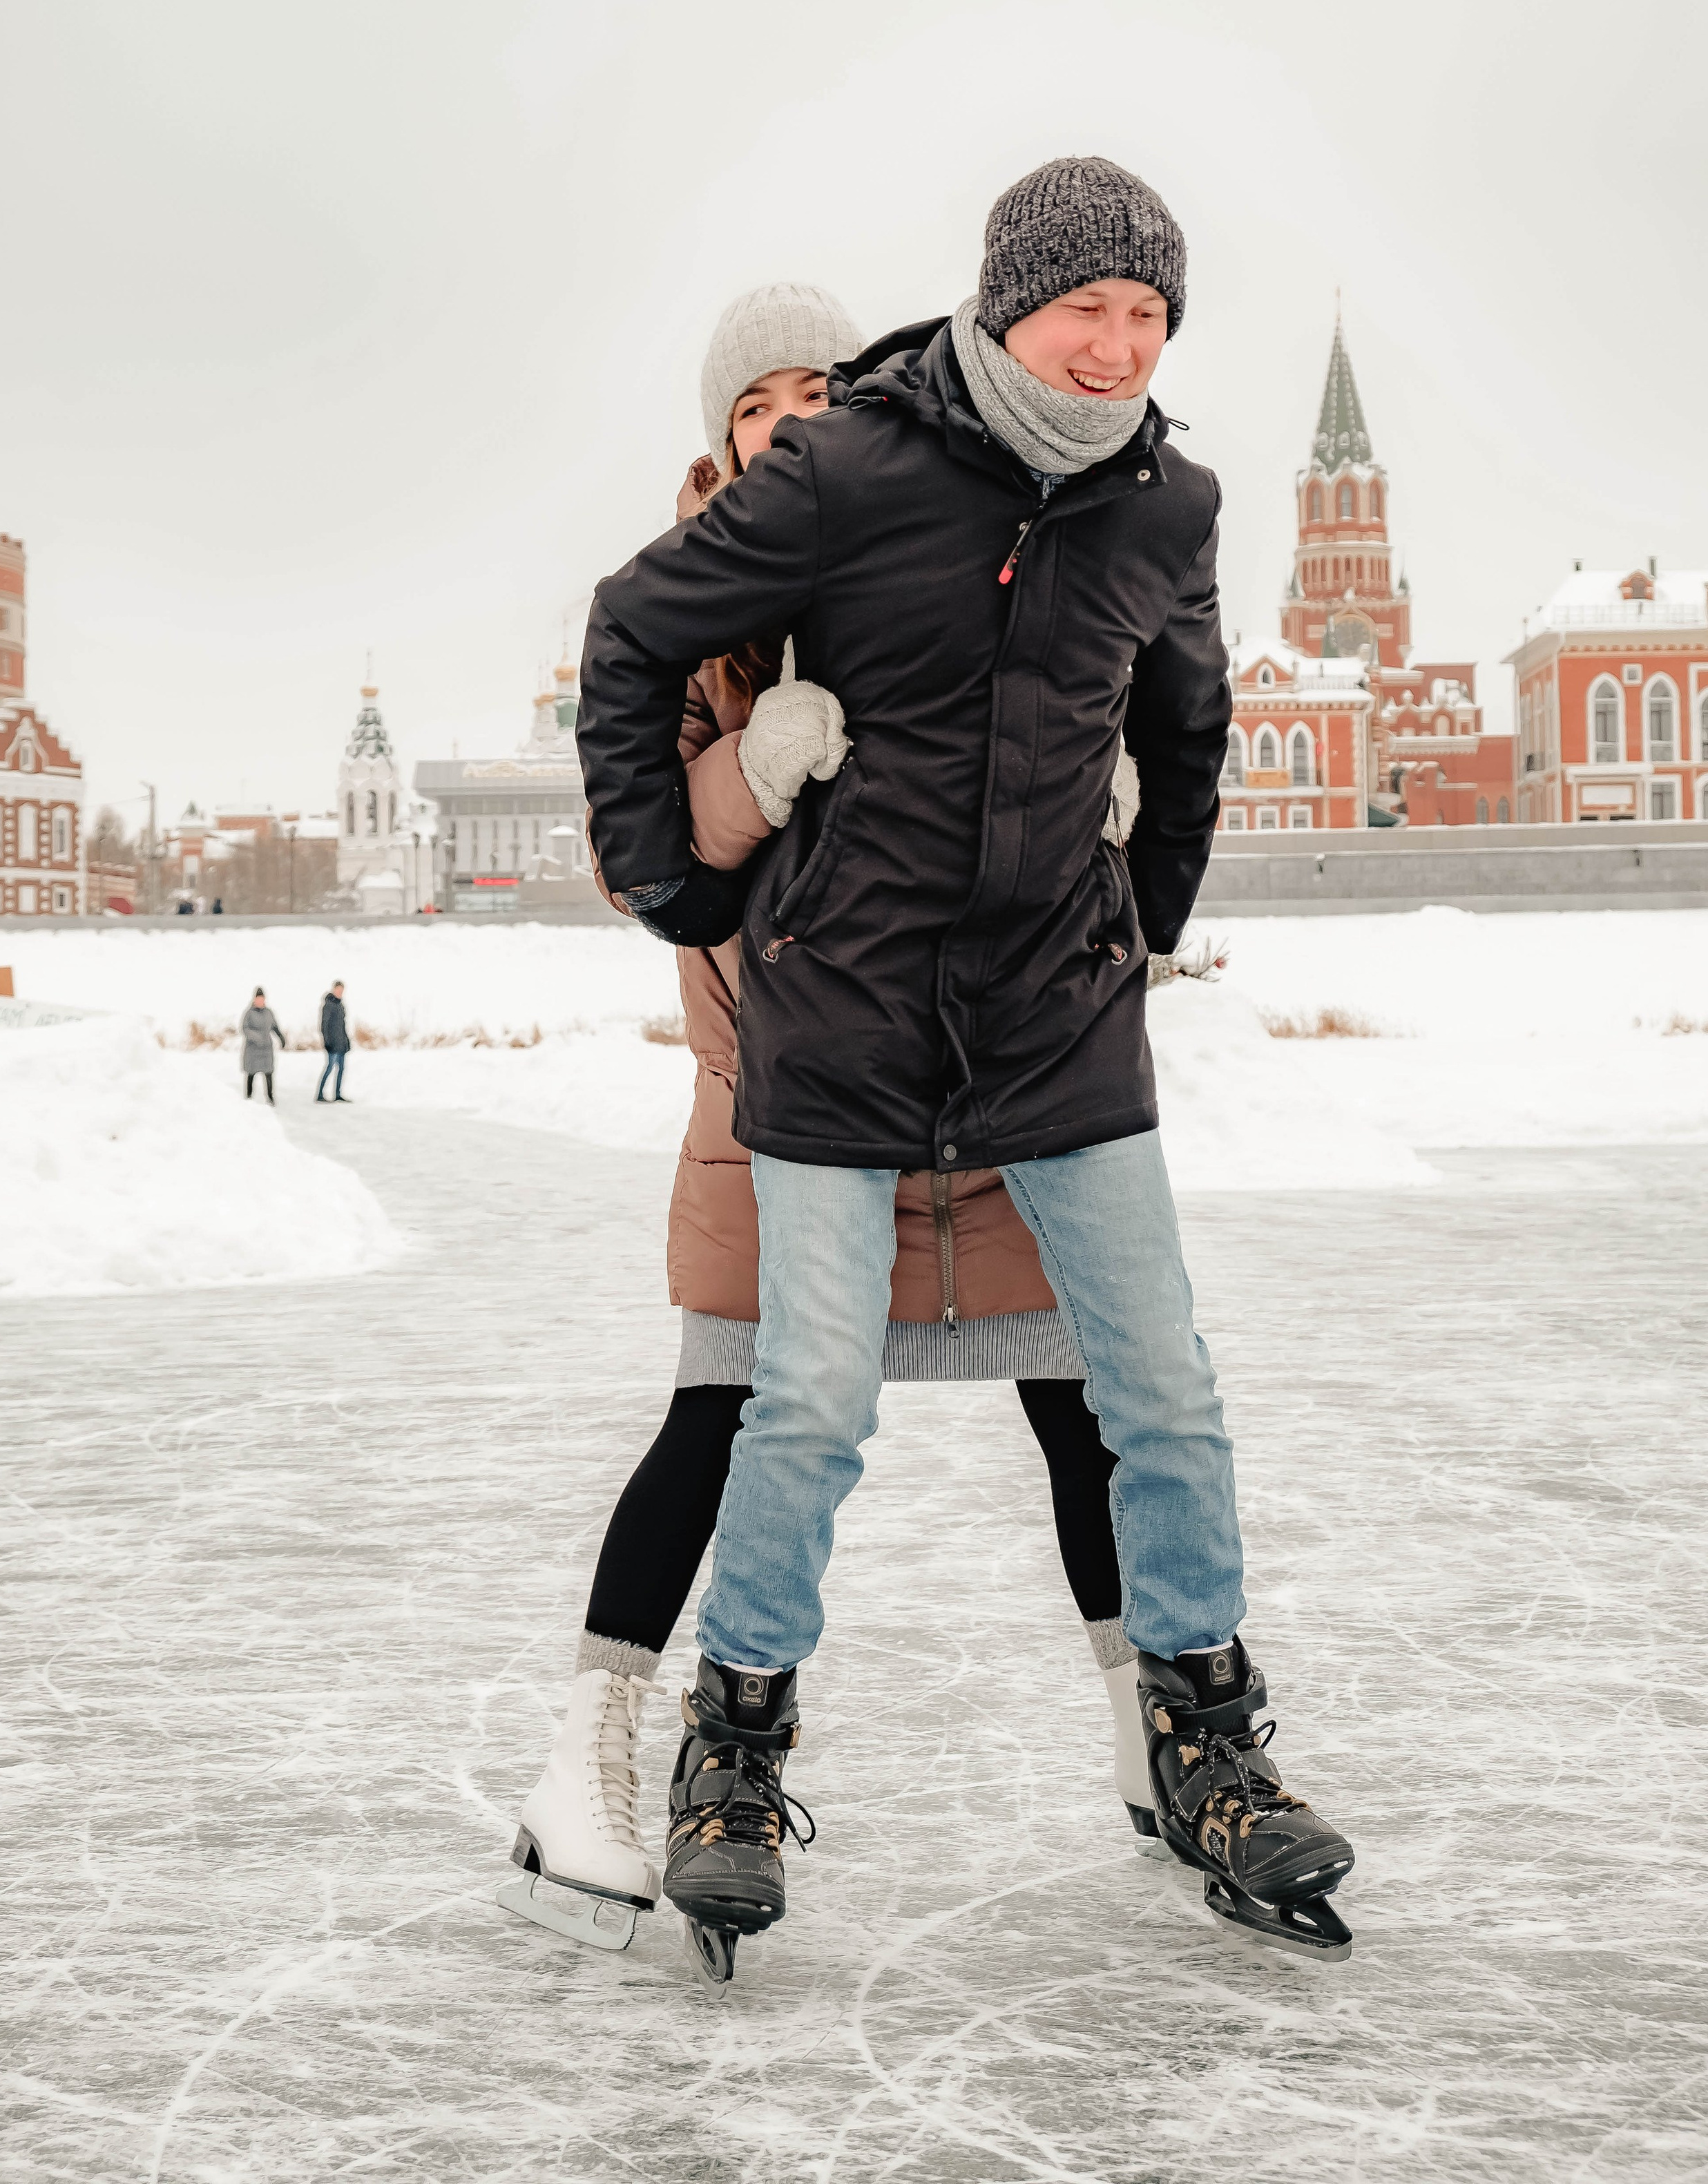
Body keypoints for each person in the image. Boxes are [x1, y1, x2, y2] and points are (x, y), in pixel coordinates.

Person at [579, 161, 1356, 1971]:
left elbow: (1191, 721)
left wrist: (1138, 924)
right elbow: (634, 630)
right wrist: (681, 876)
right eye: (1090, 307)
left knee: (1159, 1387)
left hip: (1058, 1031)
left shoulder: (1170, 504)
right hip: (844, 1026)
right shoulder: (856, 466)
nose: (1118, 345)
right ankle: (736, 1759)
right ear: (1012, 305)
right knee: (811, 1402)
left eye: (1151, 317)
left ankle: (1206, 1745)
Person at [498, 285, 1158, 1963]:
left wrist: (1097, 788)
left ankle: (1151, 1727)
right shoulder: (688, 608)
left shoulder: (927, 552)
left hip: (980, 1081)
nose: (791, 418)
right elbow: (641, 857)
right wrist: (750, 770)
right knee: (719, 1412)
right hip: (779, 1094)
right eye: (758, 400)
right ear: (717, 436)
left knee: (1082, 1404)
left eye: (818, 389)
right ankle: (587, 1755)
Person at [240, 988, 284, 1103]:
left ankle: (270, 1097)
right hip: (253, 1049)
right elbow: (244, 1029)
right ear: (255, 999)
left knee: (268, 1073)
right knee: (251, 1073)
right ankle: (249, 1097)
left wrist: (281, 1037)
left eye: (262, 999)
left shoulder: (269, 1013)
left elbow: (274, 1026)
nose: (260, 1001)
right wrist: (256, 1037)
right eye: (258, 999)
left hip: (266, 1049)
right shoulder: (249, 1013)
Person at [316, 981, 349, 1102]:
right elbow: (324, 1026)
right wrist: (327, 1042)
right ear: (334, 990)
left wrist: (347, 1041)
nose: (340, 993)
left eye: (342, 991)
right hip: (332, 1044)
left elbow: (343, 1026)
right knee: (330, 1068)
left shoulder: (341, 1006)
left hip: (341, 1044)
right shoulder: (328, 1005)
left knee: (341, 1069)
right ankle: (320, 1094)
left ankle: (337, 1094)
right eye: (338, 990)